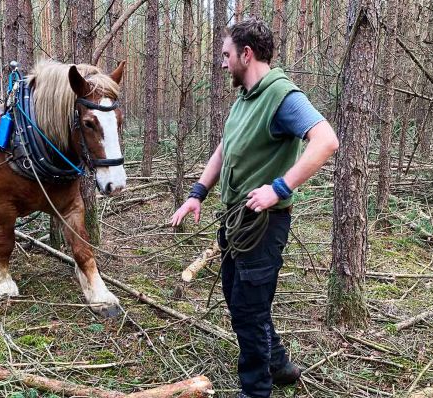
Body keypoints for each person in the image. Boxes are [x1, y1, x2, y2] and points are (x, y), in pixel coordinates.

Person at [171, 18, 339, 398]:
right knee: (239, 296)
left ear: (247, 54)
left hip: (263, 226)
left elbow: (326, 141)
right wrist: (197, 192)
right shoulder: (245, 99)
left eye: (227, 54)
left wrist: (279, 188)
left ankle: (256, 390)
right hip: (236, 222)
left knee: (248, 310)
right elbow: (224, 148)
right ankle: (278, 364)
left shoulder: (282, 97)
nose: (223, 62)